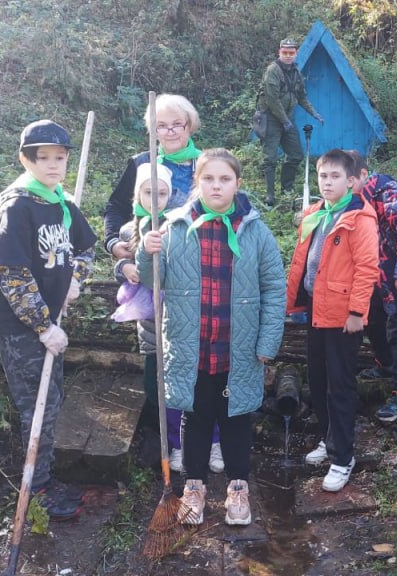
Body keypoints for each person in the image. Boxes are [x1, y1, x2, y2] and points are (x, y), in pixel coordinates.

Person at [138, 148, 286, 526]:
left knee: (236, 419)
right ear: (197, 183)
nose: (216, 186)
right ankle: (195, 485)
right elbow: (154, 282)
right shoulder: (173, 228)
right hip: (192, 347)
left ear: (237, 183)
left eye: (224, 179)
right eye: (208, 179)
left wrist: (268, 343)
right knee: (195, 417)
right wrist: (144, 252)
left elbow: (274, 288)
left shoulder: (254, 230)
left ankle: (238, 487)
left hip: (238, 350)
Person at [103, 94, 224, 474]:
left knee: (205, 364)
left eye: (178, 124)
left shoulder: (206, 163)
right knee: (160, 364)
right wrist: (117, 250)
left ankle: (213, 440)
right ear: (152, 131)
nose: (170, 132)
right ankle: (171, 440)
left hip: (199, 282)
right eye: (161, 126)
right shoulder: (142, 164)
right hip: (152, 284)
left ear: (190, 126)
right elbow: (114, 212)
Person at [0, 119, 97, 520]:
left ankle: (44, 479)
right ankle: (37, 489)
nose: (53, 165)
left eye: (60, 157)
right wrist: (43, 326)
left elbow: (85, 251)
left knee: (50, 403)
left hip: (50, 324)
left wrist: (75, 281)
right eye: (43, 158)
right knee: (36, 408)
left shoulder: (62, 204)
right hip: (22, 331)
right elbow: (11, 274)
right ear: (26, 159)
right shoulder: (17, 207)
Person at [286, 149, 379, 492]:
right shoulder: (314, 214)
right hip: (315, 310)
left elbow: (367, 268)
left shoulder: (360, 219)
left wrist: (357, 312)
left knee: (340, 385)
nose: (327, 182)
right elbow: (303, 261)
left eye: (335, 177)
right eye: (323, 176)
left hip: (343, 318)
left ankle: (343, 458)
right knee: (318, 378)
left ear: (352, 182)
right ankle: (328, 439)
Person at [342, 151, 397, 423]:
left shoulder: (388, 192)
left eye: (351, 179)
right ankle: (385, 364)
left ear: (364, 174)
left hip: (396, 276)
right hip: (373, 276)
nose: (347, 185)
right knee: (372, 321)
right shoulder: (354, 199)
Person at [258, 37, 323, 206]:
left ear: (296, 53)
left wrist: (314, 113)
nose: (288, 56)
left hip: (288, 118)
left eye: (291, 53)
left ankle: (286, 189)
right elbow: (272, 100)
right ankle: (270, 196)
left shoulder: (295, 72)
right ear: (279, 52)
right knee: (270, 158)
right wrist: (284, 121)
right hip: (271, 118)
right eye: (285, 53)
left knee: (296, 155)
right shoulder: (273, 70)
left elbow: (301, 96)